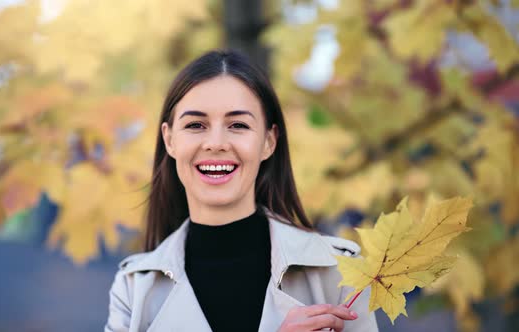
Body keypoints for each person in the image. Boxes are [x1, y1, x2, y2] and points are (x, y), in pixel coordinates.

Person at [104, 50, 378, 332]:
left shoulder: (339, 272)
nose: (216, 142)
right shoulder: (134, 289)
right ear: (169, 139)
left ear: (268, 142)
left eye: (238, 125)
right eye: (196, 125)